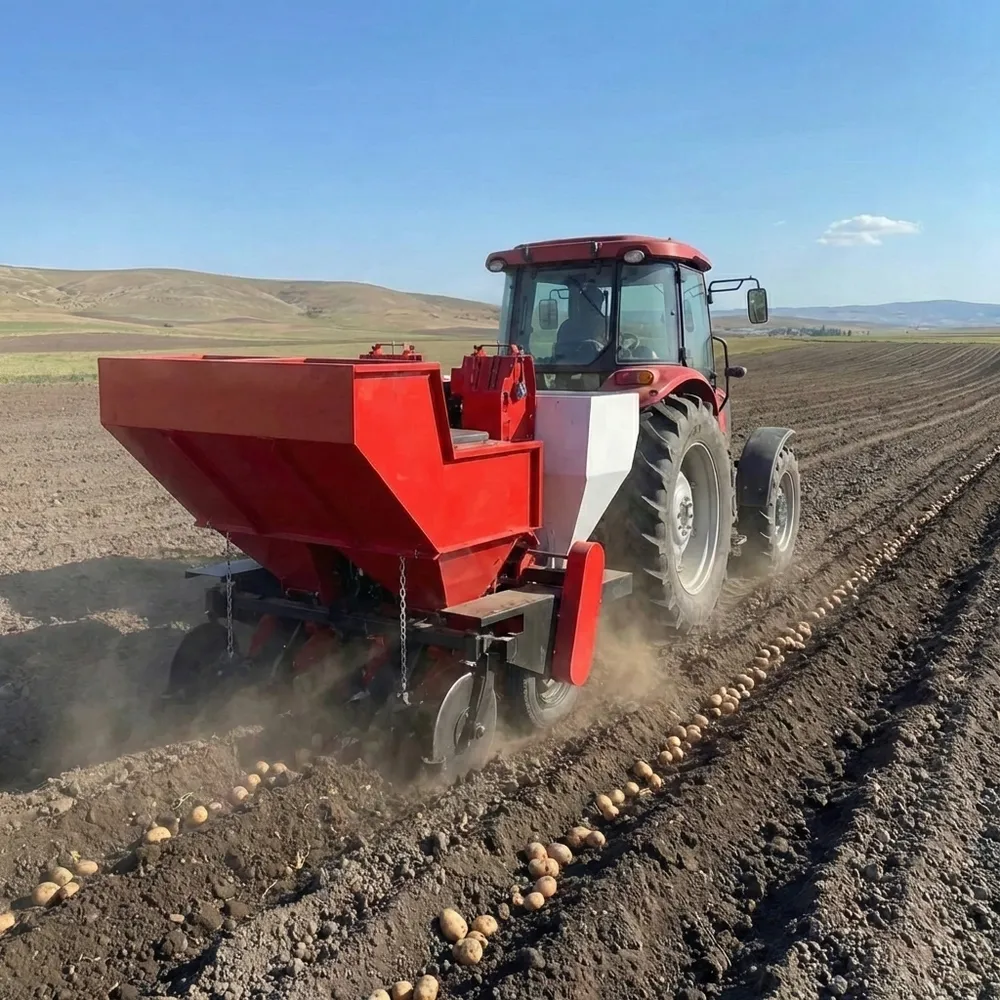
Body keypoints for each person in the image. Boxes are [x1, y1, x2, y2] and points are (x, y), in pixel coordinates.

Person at [554, 278, 608, 360]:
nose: (592, 305)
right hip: (572, 369)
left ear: (600, 303)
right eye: (588, 301)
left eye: (596, 300)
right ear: (580, 303)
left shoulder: (608, 326)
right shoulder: (567, 328)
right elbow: (560, 355)